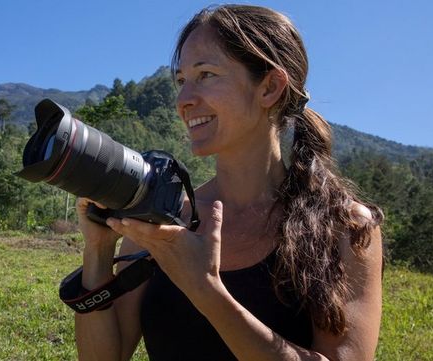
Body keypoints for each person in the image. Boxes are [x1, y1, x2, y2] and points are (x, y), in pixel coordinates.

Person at [73, 4, 384, 360]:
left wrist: (206, 291)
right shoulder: (158, 220)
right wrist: (97, 253)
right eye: (181, 81)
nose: (183, 100)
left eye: (205, 75)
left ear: (269, 87)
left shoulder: (345, 228)